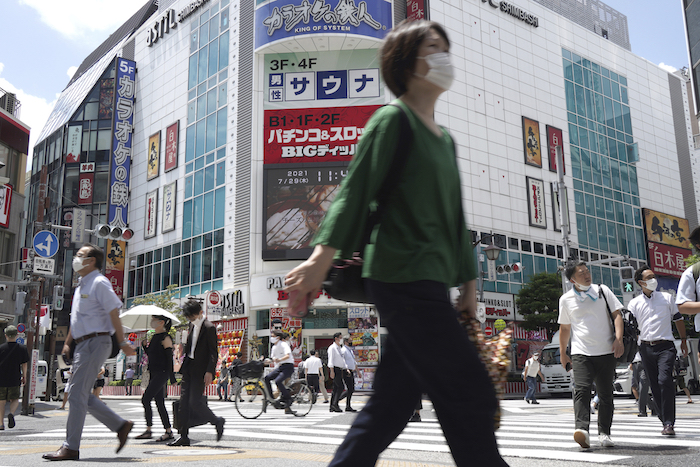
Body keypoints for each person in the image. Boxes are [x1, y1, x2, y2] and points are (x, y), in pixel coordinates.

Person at [284, 20, 507, 466]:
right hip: (400, 277)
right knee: (469, 391)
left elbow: (454, 220)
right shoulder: (392, 120)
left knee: (389, 407)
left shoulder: (446, 142)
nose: (443, 56)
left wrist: (467, 290)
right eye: (432, 47)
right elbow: (354, 193)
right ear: (405, 62)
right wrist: (317, 262)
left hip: (428, 284)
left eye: (446, 47)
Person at [43, 244, 136, 461]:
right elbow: (77, 320)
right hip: (83, 344)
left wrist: (122, 342)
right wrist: (67, 343)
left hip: (97, 342)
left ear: (91, 260)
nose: (76, 259)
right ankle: (120, 425)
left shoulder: (99, 282)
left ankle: (71, 447)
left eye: (80, 255)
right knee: (80, 394)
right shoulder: (81, 286)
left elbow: (114, 311)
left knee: (76, 394)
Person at [558, 262, 625, 449]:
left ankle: (604, 433)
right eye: (582, 273)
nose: (587, 275)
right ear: (572, 279)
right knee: (581, 389)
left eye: (587, 271)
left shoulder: (602, 290)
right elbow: (564, 328)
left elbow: (617, 315)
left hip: (606, 351)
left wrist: (618, 339)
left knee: (605, 394)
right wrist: (563, 353)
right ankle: (582, 430)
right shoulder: (566, 299)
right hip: (581, 352)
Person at [628, 265, 687, 436]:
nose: (654, 279)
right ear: (641, 282)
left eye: (654, 276)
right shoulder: (634, 303)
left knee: (664, 380)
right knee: (654, 385)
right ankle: (664, 419)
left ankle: (669, 422)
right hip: (645, 348)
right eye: (649, 277)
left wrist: (683, 340)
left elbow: (678, 319)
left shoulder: (667, 298)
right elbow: (631, 328)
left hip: (666, 346)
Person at [169, 300, 225, 447]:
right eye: (189, 317)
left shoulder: (209, 327)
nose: (190, 320)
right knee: (183, 404)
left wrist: (209, 371)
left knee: (195, 402)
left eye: (192, 317)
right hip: (188, 368)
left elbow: (213, 352)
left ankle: (217, 421)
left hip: (201, 370)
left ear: (200, 313)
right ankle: (183, 436)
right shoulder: (191, 325)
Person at [135, 315, 176, 442]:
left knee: (146, 399)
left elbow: (169, 360)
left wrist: (172, 377)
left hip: (162, 373)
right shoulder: (154, 337)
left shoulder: (166, 337)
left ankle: (149, 430)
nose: (152, 322)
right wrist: (145, 347)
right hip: (153, 372)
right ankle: (168, 431)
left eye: (154, 320)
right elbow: (153, 355)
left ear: (161, 322)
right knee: (159, 403)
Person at [0, 325, 28, 430]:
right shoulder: (22, 349)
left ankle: (1, 424)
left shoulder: (1, 348)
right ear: (17, 335)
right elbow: (24, 364)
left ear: (6, 335)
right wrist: (24, 376)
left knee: (1, 401)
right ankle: (11, 413)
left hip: (1, 379)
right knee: (15, 399)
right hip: (15, 377)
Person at [264, 330, 296, 415]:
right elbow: (272, 359)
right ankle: (271, 398)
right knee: (267, 378)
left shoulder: (284, 344)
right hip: (280, 367)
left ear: (278, 337)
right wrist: (264, 362)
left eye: (273, 336)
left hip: (288, 366)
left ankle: (288, 399)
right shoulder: (274, 347)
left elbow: (288, 355)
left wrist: (280, 359)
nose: (271, 338)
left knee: (278, 381)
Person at [327, 333, 347, 413]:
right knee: (340, 387)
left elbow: (341, 359)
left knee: (335, 388)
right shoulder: (332, 348)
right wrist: (331, 371)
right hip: (334, 369)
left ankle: (332, 406)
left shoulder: (339, 348)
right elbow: (331, 360)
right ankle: (335, 404)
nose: (341, 339)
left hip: (339, 369)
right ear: (336, 338)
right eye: (340, 338)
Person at [339, 336, 357, 412]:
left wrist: (358, 371)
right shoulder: (343, 350)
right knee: (350, 388)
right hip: (346, 371)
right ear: (346, 342)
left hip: (351, 370)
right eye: (350, 340)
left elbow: (353, 361)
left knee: (351, 388)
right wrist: (346, 369)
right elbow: (343, 361)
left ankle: (347, 405)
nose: (351, 342)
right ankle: (338, 399)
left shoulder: (350, 350)